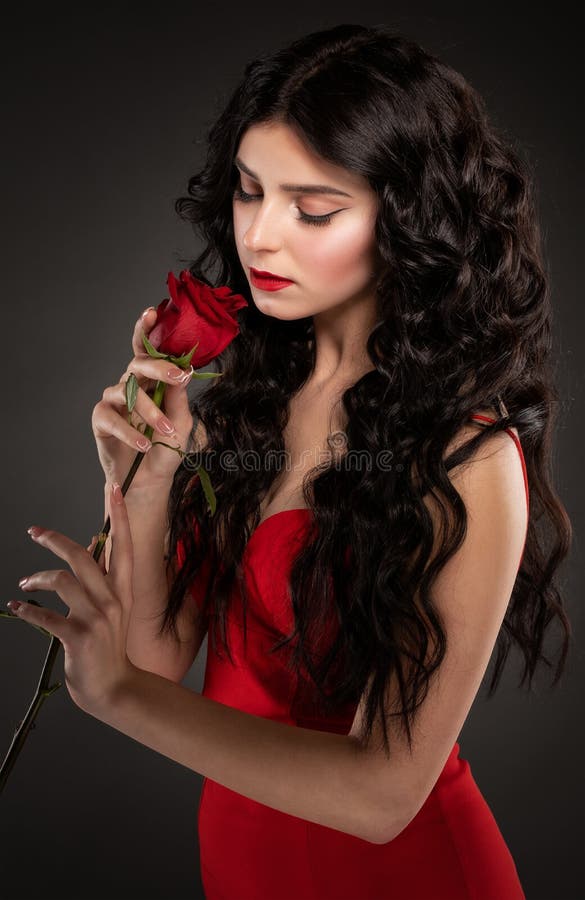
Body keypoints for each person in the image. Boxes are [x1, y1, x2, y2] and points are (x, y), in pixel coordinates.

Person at [11, 22, 573, 900]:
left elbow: (383, 794)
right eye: (247, 192)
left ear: (408, 219)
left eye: (313, 209)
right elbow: (162, 663)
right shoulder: (255, 397)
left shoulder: (467, 454)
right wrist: (150, 481)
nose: (260, 239)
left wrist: (116, 697)